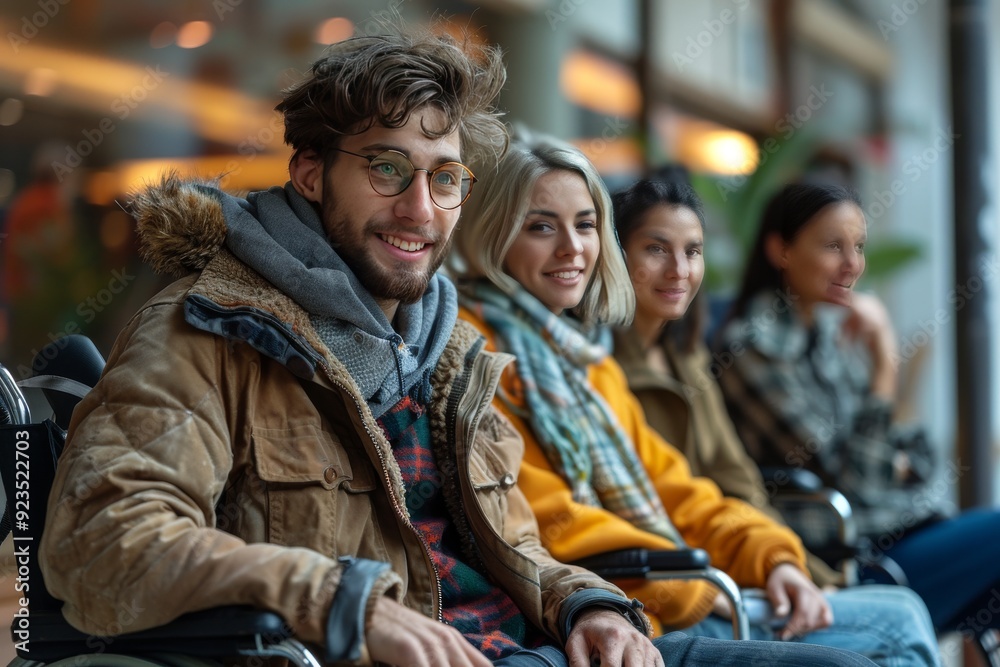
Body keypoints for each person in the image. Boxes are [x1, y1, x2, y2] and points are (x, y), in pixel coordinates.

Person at [34, 23, 881, 667]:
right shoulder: (210, 328)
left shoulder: (447, 344)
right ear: (310, 174)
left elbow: (521, 544)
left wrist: (588, 604)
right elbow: (103, 541)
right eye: (386, 169)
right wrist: (341, 600)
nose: (421, 209)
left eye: (443, 177)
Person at [451, 136, 940, 666]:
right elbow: (552, 523)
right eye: (542, 226)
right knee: (892, 632)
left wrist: (771, 557)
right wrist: (698, 576)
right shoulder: (475, 353)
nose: (572, 247)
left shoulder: (585, 361)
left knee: (902, 613)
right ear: (494, 233)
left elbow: (685, 490)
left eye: (586, 225)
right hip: (633, 604)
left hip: (692, 580)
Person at [715, 180, 1000, 638]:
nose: (852, 265)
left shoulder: (827, 339)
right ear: (780, 250)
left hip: (905, 532)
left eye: (859, 246)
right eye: (833, 246)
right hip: (849, 560)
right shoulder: (753, 350)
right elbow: (858, 480)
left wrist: (893, 456)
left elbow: (921, 457)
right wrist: (884, 363)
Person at [610, 176, 842, 589]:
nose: (679, 270)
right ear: (615, 254)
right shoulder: (600, 369)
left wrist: (799, 568)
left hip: (742, 561)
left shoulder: (688, 358)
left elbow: (738, 481)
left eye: (693, 252)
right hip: (676, 581)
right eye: (656, 249)